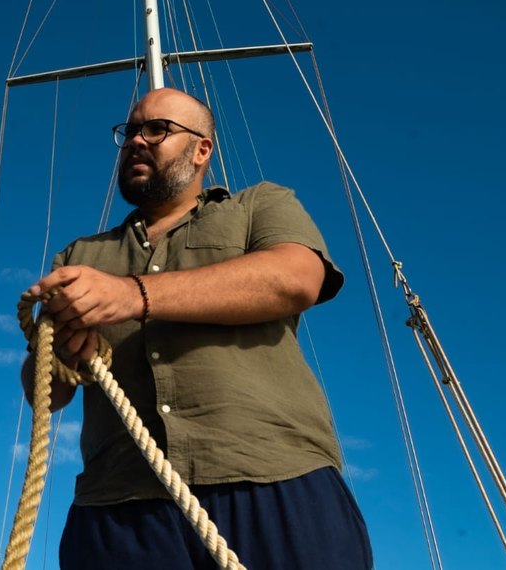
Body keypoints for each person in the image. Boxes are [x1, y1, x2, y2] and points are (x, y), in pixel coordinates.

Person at [21, 88, 372, 569]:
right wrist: (61, 348)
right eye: (129, 132)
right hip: (118, 506)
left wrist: (132, 294)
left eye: (157, 129)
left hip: (273, 477)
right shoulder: (78, 258)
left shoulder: (260, 205)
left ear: (202, 149)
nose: (137, 142)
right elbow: (46, 393)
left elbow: (296, 279)